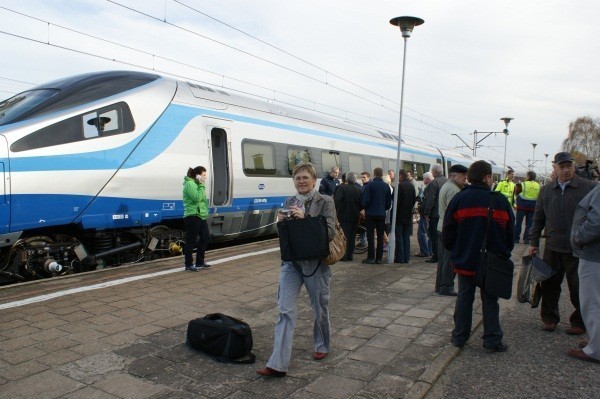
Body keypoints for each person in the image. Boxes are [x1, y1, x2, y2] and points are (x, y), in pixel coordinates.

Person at [257, 163, 336, 377]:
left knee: (319, 307)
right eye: (297, 178)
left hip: (315, 264)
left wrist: (306, 219)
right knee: (284, 310)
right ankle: (277, 364)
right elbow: (286, 235)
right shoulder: (289, 202)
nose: (301, 181)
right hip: (291, 263)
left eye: (305, 177)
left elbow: (329, 232)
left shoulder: (325, 201)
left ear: (314, 180)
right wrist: (280, 223)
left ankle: (321, 345)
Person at [443, 160, 514, 352]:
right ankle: (492, 340)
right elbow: (510, 233)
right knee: (490, 299)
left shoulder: (459, 199)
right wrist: (504, 252)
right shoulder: (499, 200)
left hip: (465, 259)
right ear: (488, 177)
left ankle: (459, 337)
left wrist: (456, 250)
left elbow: (448, 231)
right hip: (492, 261)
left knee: (465, 297)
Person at [527, 152, 597, 334]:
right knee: (549, 285)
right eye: (562, 167)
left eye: (569, 166)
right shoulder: (546, 190)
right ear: (555, 168)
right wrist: (533, 242)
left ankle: (579, 322)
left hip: (578, 248)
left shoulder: (588, 187)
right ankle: (550, 318)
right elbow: (538, 218)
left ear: (574, 166)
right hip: (552, 245)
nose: (566, 170)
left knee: (578, 287)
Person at [569, 184, 600, 363]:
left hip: (594, 255)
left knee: (592, 302)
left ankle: (595, 350)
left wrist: (578, 237)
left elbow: (596, 221)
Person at [436, 164, 468, 295]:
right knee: (449, 260)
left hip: (441, 226)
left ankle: (440, 285)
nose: (465, 178)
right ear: (454, 175)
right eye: (463, 176)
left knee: (443, 259)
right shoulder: (454, 190)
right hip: (449, 229)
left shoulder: (447, 186)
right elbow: (454, 213)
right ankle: (446, 286)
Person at [182, 166, 211, 271]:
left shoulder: (197, 184)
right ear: (197, 175)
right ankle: (188, 265)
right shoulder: (190, 184)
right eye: (203, 176)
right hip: (192, 215)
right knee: (191, 240)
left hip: (200, 215)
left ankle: (200, 262)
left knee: (205, 237)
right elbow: (196, 198)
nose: (205, 178)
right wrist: (202, 185)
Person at [361, 167, 392, 264]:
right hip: (381, 214)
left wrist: (365, 208)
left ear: (374, 174)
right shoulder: (386, 186)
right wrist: (383, 209)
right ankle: (379, 258)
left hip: (370, 214)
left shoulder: (369, 185)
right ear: (382, 174)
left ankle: (370, 257)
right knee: (380, 236)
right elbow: (388, 203)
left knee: (370, 236)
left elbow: (366, 200)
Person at [334, 172, 362, 261]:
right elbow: (361, 203)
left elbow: (337, 201)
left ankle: (344, 255)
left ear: (346, 179)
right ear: (355, 179)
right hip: (355, 216)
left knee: (344, 236)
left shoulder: (342, 188)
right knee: (352, 236)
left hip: (344, 216)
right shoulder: (358, 189)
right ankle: (350, 255)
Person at [424, 164, 448, 263]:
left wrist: (426, 212)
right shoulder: (447, 181)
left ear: (434, 171)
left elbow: (430, 199)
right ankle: (444, 255)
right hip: (446, 214)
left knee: (434, 236)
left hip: (435, 214)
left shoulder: (434, 183)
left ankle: (436, 256)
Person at [393, 170, 416, 263]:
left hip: (399, 216)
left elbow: (396, 202)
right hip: (408, 215)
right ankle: (406, 258)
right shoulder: (411, 186)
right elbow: (414, 200)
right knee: (406, 237)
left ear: (401, 175)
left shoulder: (399, 186)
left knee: (399, 237)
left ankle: (400, 258)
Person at [514, 171, 540, 244]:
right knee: (529, 224)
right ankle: (526, 239)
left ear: (528, 176)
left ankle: (516, 239)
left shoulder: (523, 184)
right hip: (532, 208)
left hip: (522, 207)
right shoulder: (538, 185)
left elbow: (516, 193)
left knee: (518, 223)